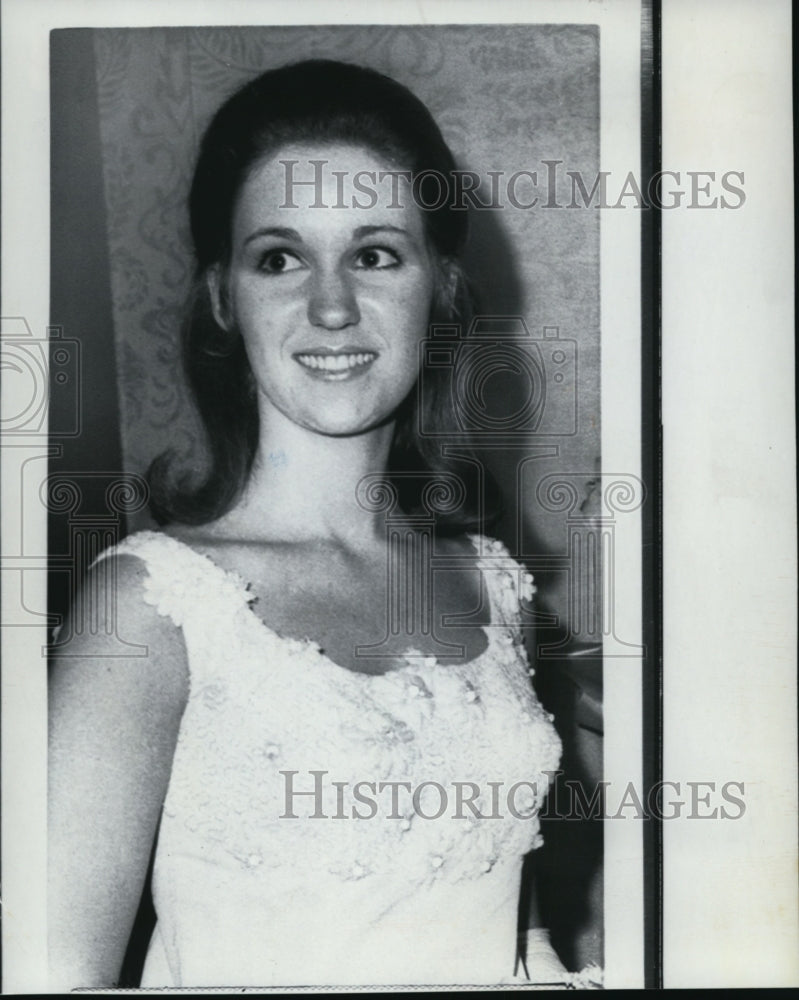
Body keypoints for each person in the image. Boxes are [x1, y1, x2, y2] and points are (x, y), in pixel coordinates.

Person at [48, 59, 578, 988]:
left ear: (439, 289)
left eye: (374, 253)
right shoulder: (148, 606)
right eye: (280, 257)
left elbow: (518, 927)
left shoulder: (488, 578)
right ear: (222, 296)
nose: (330, 306)